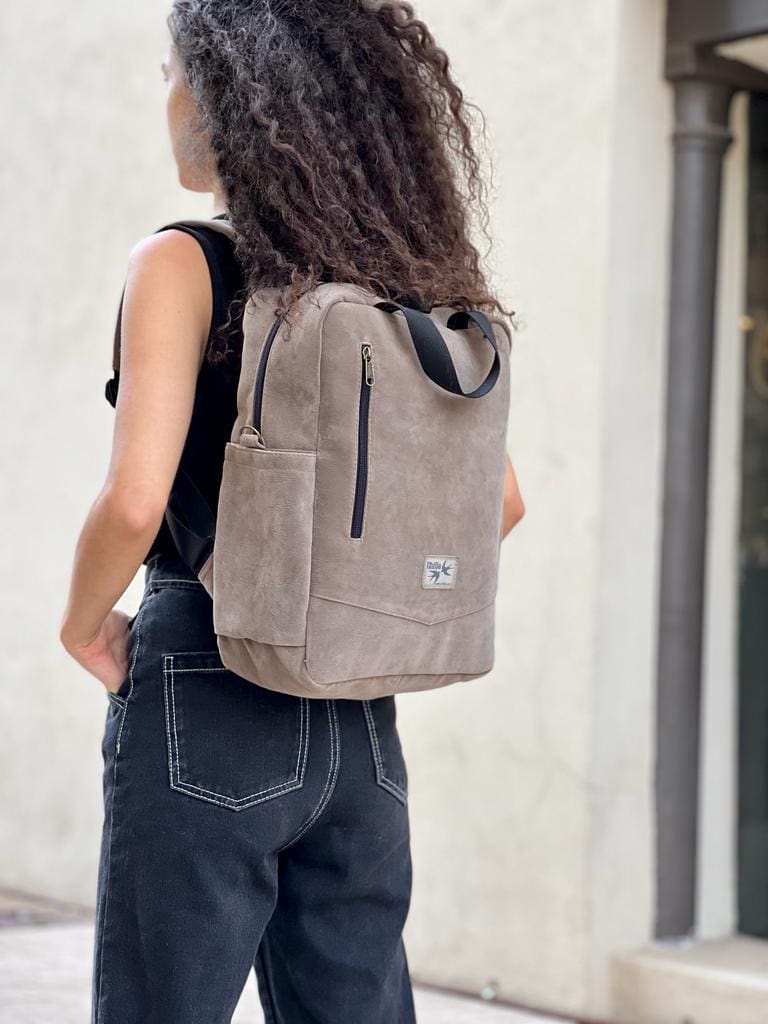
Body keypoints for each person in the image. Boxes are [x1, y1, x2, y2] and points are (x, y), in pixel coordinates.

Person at [59, 2, 525, 1022]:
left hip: (208, 679)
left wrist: (84, 623)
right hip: (360, 718)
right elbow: (502, 503)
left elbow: (135, 500)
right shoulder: (405, 290)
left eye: (172, 72)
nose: (166, 95)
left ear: (223, 97)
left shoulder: (180, 263)